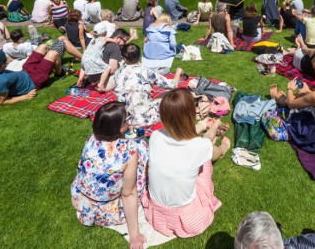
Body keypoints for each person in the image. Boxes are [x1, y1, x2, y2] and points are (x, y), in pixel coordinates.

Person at [143, 88, 230, 238]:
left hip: (156, 213)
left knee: (201, 151)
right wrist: (222, 146)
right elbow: (212, 152)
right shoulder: (197, 146)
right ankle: (217, 142)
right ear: (191, 115)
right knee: (206, 161)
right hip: (186, 217)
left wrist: (205, 125)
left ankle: (211, 138)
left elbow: (181, 134)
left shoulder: (156, 136)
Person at [71, 102, 147, 249]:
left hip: (82, 202)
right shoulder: (129, 149)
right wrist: (134, 236)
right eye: (127, 119)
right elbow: (128, 194)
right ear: (120, 128)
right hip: (108, 212)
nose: (129, 120)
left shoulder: (91, 139)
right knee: (143, 151)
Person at [0, 42, 64, 104]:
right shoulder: (1, 81)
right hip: (34, 80)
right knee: (53, 53)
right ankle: (59, 73)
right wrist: (25, 97)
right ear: (3, 64)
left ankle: (52, 66)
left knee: (43, 46)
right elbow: (1, 102)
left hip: (25, 70)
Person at [114, 44, 183, 127]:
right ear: (139, 56)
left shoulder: (119, 73)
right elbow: (172, 84)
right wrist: (178, 72)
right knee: (170, 92)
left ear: (124, 58)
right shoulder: (145, 71)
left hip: (125, 118)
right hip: (145, 117)